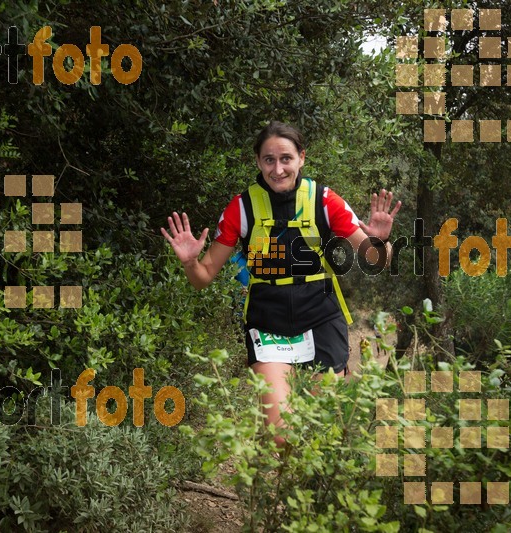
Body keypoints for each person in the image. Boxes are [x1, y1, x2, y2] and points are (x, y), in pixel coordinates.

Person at [161, 121, 400, 446]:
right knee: (282, 436)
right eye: (269, 159)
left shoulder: (325, 200)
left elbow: (374, 260)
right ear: (258, 162)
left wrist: (379, 240)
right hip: (269, 320)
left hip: (321, 317)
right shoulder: (241, 208)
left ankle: (311, 491)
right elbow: (203, 278)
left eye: (286, 158)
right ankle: (289, 486)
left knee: (324, 426)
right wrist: (190, 261)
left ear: (301, 158)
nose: (278, 168)